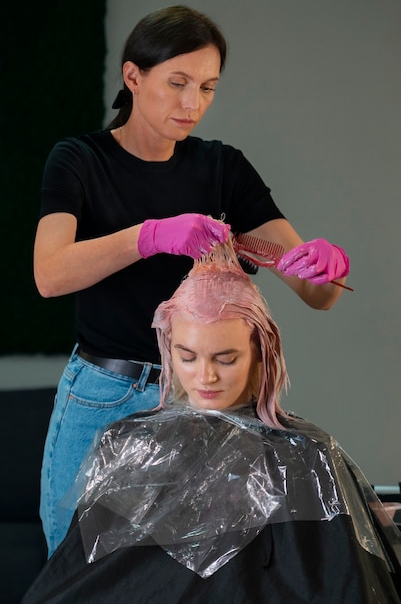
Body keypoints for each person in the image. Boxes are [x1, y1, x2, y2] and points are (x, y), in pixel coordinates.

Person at [33, 4, 351, 557]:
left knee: (195, 572)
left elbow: (315, 293)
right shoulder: (79, 161)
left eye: (207, 87)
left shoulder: (223, 169)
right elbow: (50, 273)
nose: (192, 104)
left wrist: (323, 265)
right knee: (76, 562)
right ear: (133, 77)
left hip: (204, 398)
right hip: (106, 394)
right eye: (177, 83)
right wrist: (151, 235)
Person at [23, 240, 399, 604]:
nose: (206, 377)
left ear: (259, 353)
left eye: (226, 359)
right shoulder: (127, 444)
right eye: (188, 357)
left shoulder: (305, 456)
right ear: (167, 349)